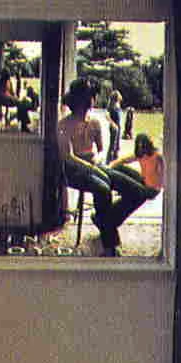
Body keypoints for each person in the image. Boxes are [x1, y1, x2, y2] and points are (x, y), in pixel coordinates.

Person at [55, 78, 128, 254]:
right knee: (103, 188)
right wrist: (91, 167)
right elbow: (68, 157)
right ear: (77, 100)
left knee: (130, 185)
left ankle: (103, 220)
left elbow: (102, 150)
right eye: (88, 96)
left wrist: (98, 160)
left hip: (94, 165)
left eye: (91, 96)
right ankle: (110, 242)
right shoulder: (64, 125)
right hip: (73, 170)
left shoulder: (94, 122)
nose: (91, 100)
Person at [103, 133, 163, 241]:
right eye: (139, 146)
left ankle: (120, 190)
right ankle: (113, 183)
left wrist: (158, 185)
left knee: (128, 186)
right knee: (120, 167)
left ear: (148, 145)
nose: (141, 149)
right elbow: (123, 160)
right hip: (143, 182)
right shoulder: (140, 154)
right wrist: (110, 166)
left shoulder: (157, 156)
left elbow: (163, 175)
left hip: (151, 189)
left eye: (143, 146)